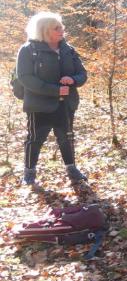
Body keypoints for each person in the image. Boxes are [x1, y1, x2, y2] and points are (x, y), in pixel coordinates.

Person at [16, 12, 88, 188]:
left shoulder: (68, 49)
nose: (62, 30)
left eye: (61, 27)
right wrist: (55, 90)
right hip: (39, 105)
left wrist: (74, 80)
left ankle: (72, 168)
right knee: (35, 138)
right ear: (44, 30)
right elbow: (25, 78)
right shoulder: (28, 50)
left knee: (67, 137)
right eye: (57, 28)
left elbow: (82, 74)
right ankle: (29, 173)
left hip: (66, 104)